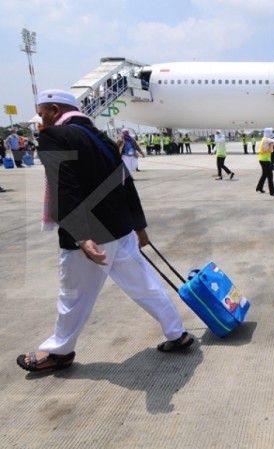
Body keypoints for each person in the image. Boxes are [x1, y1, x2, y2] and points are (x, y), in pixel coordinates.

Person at [16, 89, 194, 373]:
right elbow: (126, 182)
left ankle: (59, 352)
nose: (40, 117)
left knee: (73, 295)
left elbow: (66, 189)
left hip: (91, 233)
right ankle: (177, 334)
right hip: (120, 227)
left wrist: (81, 236)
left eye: (42, 111)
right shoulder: (103, 138)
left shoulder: (55, 137)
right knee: (144, 284)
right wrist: (139, 225)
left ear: (55, 109)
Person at [256, 128, 274, 196]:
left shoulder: (266, 139)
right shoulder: (266, 139)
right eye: (271, 132)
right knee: (270, 176)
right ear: (268, 132)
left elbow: (271, 148)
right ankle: (272, 192)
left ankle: (259, 188)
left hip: (264, 159)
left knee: (264, 175)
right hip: (265, 160)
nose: (272, 133)